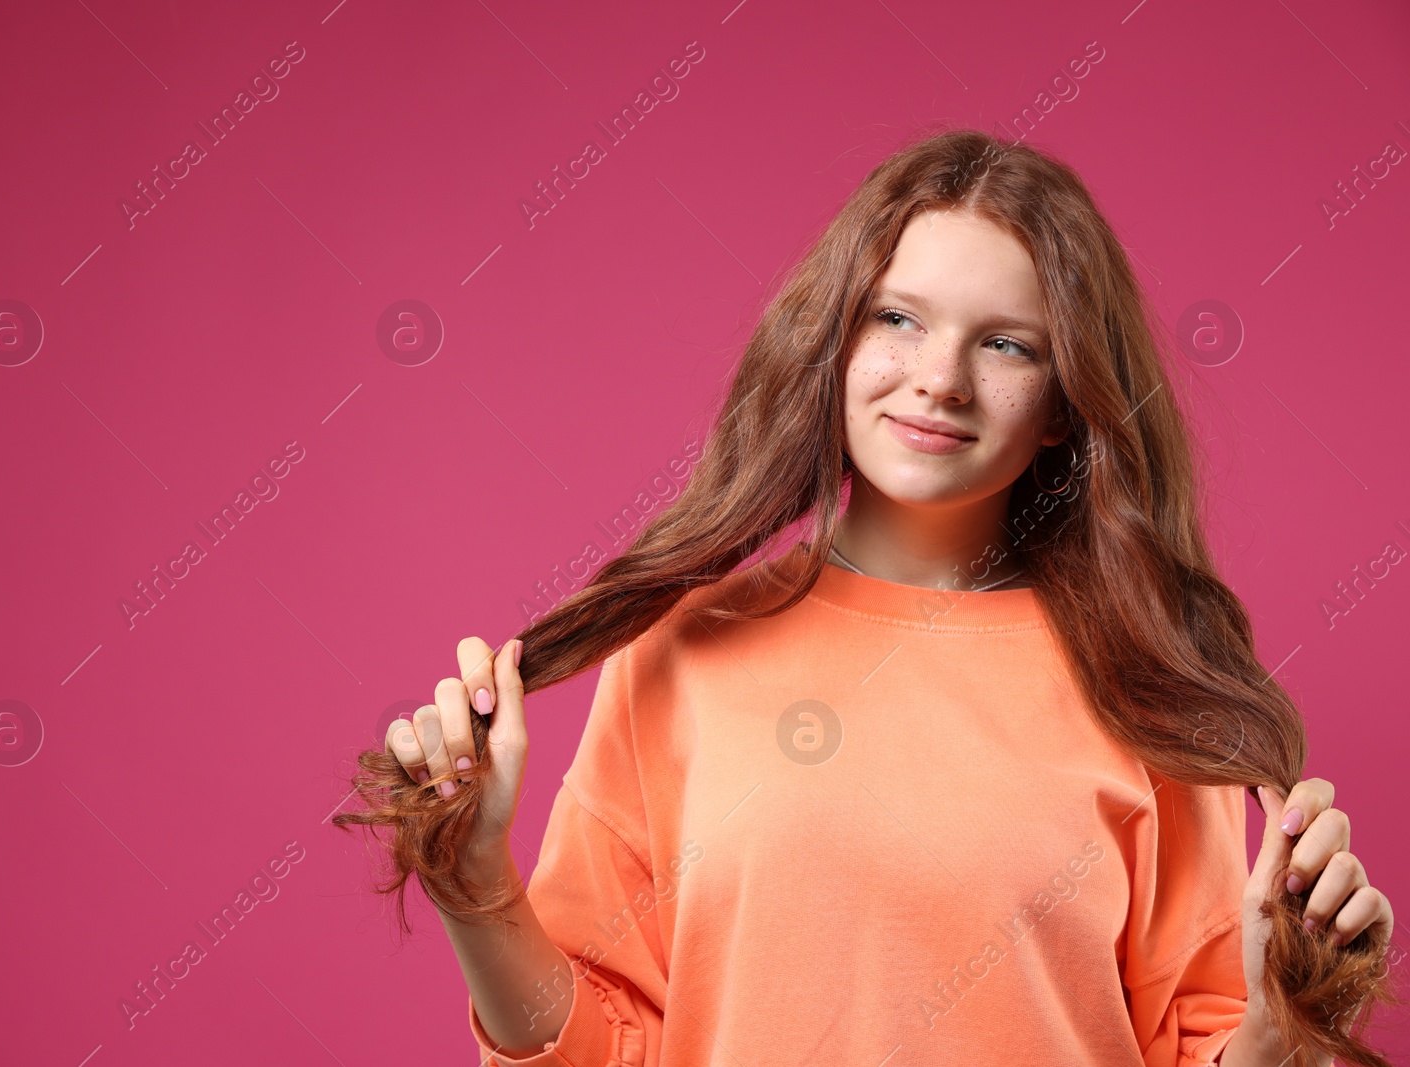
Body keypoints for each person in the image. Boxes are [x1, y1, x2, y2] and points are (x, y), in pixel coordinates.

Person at [335, 127, 1397, 1066]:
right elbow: (602, 1049)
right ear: (831, 342)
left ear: (1066, 405)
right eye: (897, 318)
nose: (940, 376)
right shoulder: (681, 651)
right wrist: (474, 887)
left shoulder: (1144, 679)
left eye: (1006, 342)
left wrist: (1278, 1018)